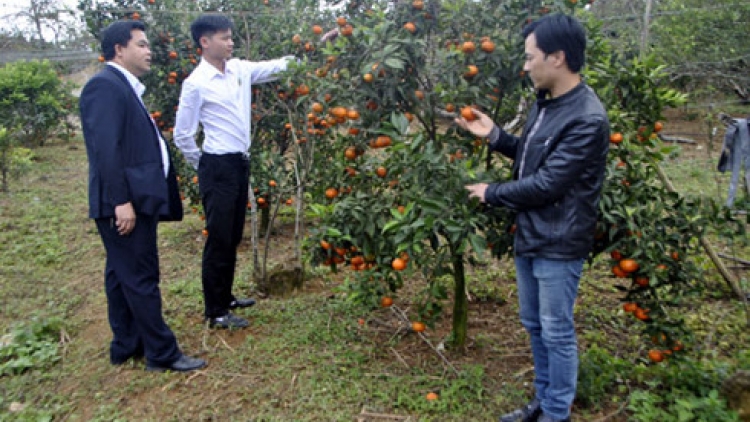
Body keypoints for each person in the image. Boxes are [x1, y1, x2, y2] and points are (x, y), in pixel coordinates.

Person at [456, 14, 610, 422]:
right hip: (533, 233)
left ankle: (556, 414)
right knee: (535, 325)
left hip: (560, 241)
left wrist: (491, 192)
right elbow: (534, 157)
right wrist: (497, 138)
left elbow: (548, 184)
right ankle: (542, 403)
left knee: (556, 330)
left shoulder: (587, 117)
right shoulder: (548, 104)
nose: (525, 66)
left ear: (557, 57)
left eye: (530, 57)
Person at [79, 20, 206, 372]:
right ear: (119, 49)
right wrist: (121, 202)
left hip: (131, 199)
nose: (150, 51)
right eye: (142, 44)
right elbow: (104, 150)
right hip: (124, 202)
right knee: (140, 276)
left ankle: (126, 344)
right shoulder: (104, 87)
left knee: (122, 275)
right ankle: (161, 353)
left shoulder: (122, 86)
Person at [174, 13, 297, 329]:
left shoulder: (240, 69)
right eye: (225, 37)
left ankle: (226, 296)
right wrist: (203, 165)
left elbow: (277, 67)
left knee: (232, 235)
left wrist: (311, 52)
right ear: (205, 42)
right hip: (217, 165)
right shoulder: (195, 84)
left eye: (231, 37)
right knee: (218, 237)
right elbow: (183, 134)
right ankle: (215, 311)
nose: (231, 42)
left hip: (239, 162)